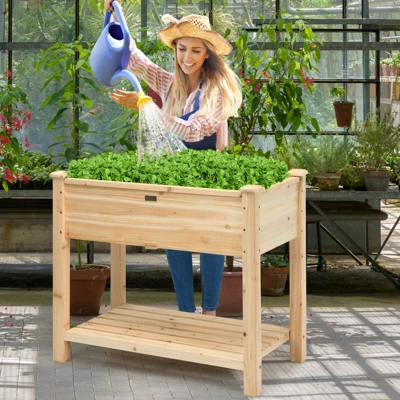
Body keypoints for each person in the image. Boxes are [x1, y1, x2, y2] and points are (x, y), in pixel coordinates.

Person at [105, 0, 242, 316]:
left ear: (207, 54)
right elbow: (135, 58)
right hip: (175, 172)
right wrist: (114, 16)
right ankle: (185, 311)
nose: (187, 57)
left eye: (195, 50)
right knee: (175, 237)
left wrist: (146, 105)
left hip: (209, 176)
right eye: (182, 49)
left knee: (210, 241)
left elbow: (194, 132)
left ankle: (209, 313)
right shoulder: (170, 83)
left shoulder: (216, 91)